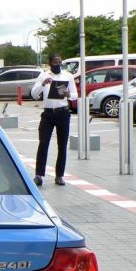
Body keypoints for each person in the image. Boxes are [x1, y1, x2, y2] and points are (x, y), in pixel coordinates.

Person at [30, 53, 78, 186]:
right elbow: (34, 94)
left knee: (62, 145)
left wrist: (69, 94)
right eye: (56, 63)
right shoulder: (44, 75)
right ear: (50, 63)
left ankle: (59, 175)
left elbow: (75, 95)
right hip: (48, 114)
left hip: (62, 113)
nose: (58, 65)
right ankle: (39, 175)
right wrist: (43, 85)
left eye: (60, 62)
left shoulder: (67, 76)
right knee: (43, 144)